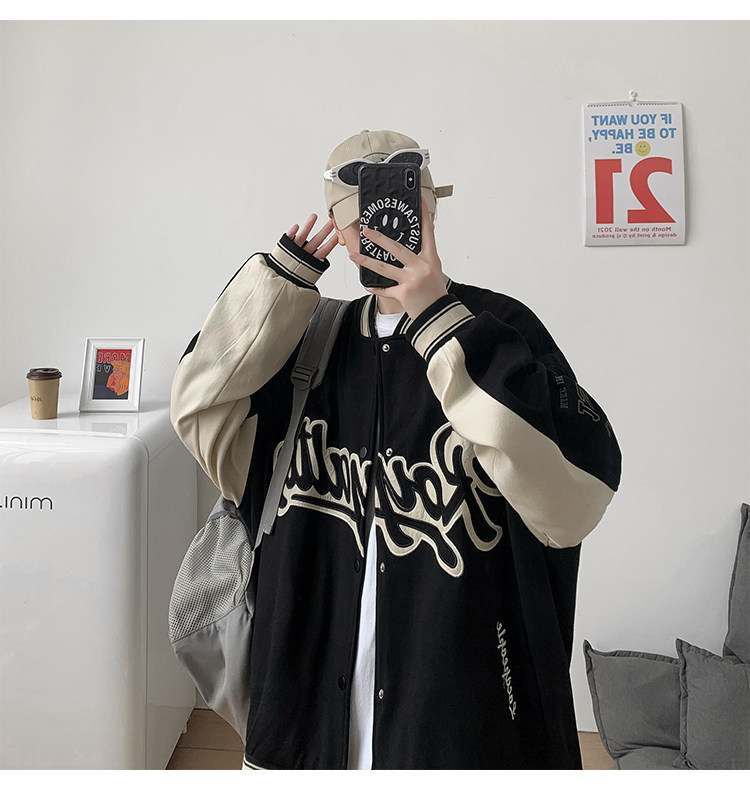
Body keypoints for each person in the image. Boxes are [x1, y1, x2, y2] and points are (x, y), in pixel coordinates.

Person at [170, 129, 622, 770]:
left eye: (404, 204)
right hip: (305, 728)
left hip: (468, 736)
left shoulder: (500, 328)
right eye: (362, 215)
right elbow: (198, 411)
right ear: (337, 226)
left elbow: (576, 496)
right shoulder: (303, 342)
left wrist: (439, 320)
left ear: (430, 210)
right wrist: (276, 289)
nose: (383, 228)